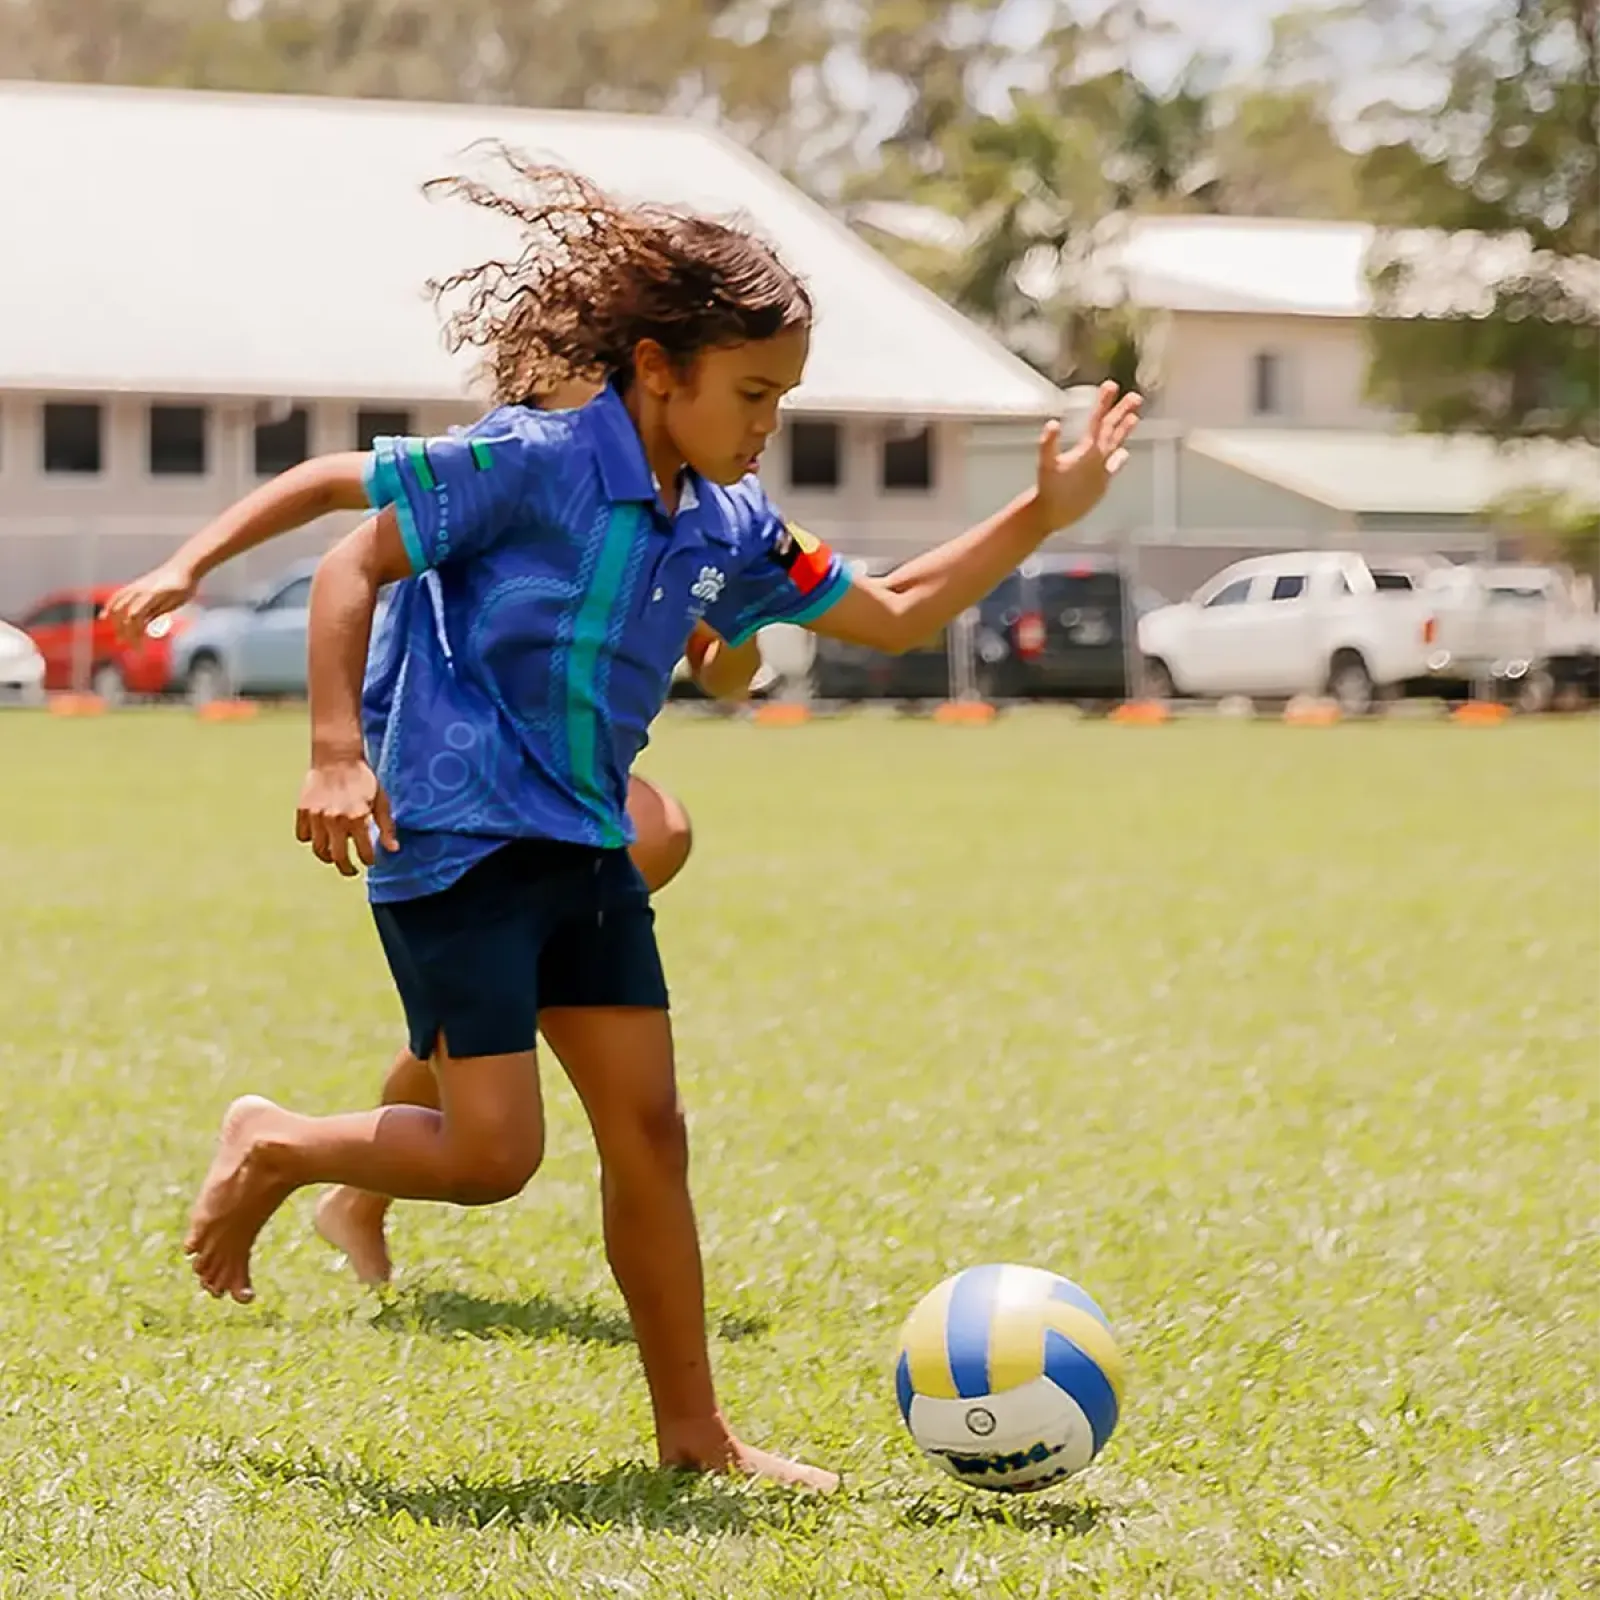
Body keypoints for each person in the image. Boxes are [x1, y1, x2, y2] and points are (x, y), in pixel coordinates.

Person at [171, 156, 1141, 1487]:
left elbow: (896, 609)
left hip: (586, 850)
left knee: (651, 1138)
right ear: (656, 368)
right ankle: (274, 1140)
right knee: (494, 1156)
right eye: (751, 394)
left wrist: (1041, 510)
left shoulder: (733, 526)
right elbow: (353, 557)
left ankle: (698, 1438)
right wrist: (335, 752)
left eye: (783, 399)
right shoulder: (533, 461)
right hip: (456, 844)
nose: (766, 425)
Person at [107, 383, 751, 1288]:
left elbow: (720, 653)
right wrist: (189, 566)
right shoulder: (507, 459)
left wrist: (738, 620)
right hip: (449, 777)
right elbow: (324, 486)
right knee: (629, 857)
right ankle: (300, 1155)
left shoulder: (660, 490)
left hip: (547, 793)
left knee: (637, 854)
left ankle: (358, 1197)